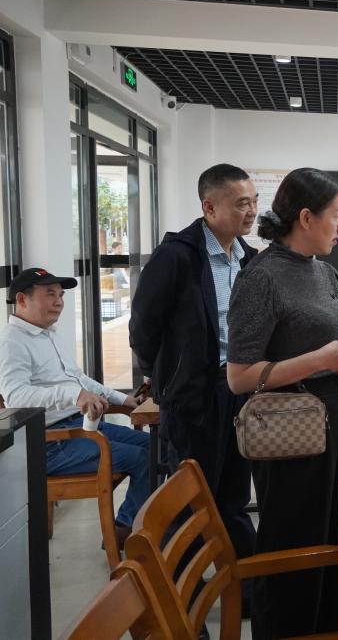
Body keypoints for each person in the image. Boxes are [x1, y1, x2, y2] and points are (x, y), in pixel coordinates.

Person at [226, 167, 338, 639]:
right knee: (293, 536)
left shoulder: (325, 270)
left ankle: (330, 626)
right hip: (288, 425)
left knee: (335, 527)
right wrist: (322, 359)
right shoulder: (261, 277)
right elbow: (239, 377)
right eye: (337, 215)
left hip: (336, 414)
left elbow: (326, 341)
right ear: (307, 217)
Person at [129, 163, 260, 585]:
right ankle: (183, 594)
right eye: (241, 203)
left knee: (233, 495)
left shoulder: (248, 258)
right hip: (193, 395)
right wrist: (162, 377)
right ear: (209, 207)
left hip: (238, 390)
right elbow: (143, 327)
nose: (251, 211)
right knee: (190, 499)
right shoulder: (177, 257)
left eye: (254, 202)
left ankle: (244, 586)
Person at [0, 268, 147, 547]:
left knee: (157, 448)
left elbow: (78, 379)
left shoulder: (48, 334)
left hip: (80, 428)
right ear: (21, 299)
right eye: (50, 294)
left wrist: (121, 399)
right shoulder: (11, 342)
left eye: (61, 295)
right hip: (50, 443)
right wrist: (72, 394)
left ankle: (134, 525)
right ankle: (124, 533)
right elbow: (16, 397)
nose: (59, 302)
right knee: (142, 458)